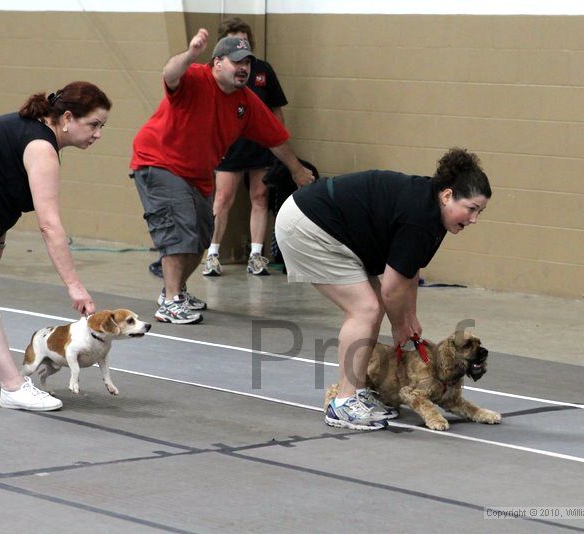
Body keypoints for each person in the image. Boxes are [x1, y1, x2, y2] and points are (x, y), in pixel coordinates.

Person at [275, 148, 491, 430]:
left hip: (329, 229)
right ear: (447, 196)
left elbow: (408, 270)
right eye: (471, 208)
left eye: (480, 212)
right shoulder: (421, 216)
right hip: (308, 225)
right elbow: (391, 288)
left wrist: (411, 317)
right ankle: (343, 404)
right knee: (366, 309)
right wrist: (400, 326)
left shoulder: (433, 214)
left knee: (372, 306)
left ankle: (357, 392)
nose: (474, 218)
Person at [131, 28, 314, 325]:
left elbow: (276, 138)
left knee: (203, 234)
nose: (243, 68)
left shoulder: (246, 101)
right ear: (217, 63)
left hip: (198, 174)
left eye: (247, 63)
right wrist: (191, 52)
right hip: (160, 163)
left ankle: (174, 292)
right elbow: (170, 73)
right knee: (179, 233)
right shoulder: (195, 78)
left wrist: (297, 170)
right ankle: (171, 302)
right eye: (236, 62)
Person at [0, 82, 112, 411]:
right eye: (94, 125)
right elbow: (49, 224)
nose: (98, 134)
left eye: (102, 126)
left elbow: (2, 185)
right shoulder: (41, 147)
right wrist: (74, 285)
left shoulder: (34, 135)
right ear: (68, 118)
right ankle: (12, 386)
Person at [203, 17, 290, 278]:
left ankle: (255, 255)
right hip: (230, 148)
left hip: (259, 148)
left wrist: (279, 143)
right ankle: (213, 254)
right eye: (235, 41)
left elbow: (276, 111)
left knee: (260, 197)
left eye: (245, 40)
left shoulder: (262, 70)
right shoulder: (214, 74)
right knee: (222, 199)